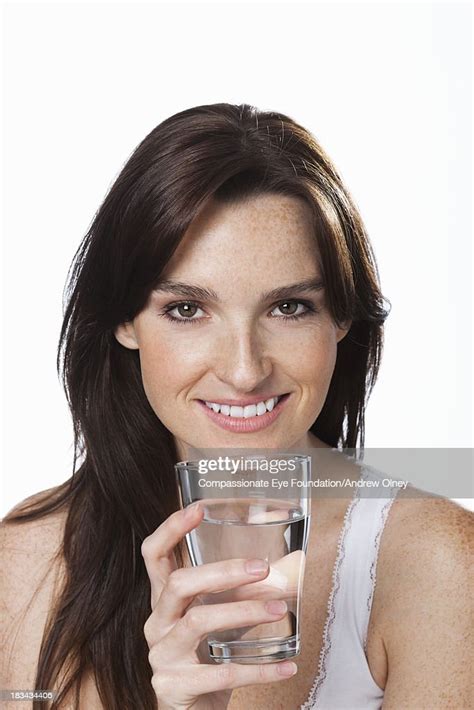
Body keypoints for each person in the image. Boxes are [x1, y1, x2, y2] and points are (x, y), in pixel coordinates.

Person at [1, 103, 471, 710]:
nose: (245, 370)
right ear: (124, 320)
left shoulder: (438, 567)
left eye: (290, 307)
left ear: (342, 318)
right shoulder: (25, 560)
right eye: (188, 310)